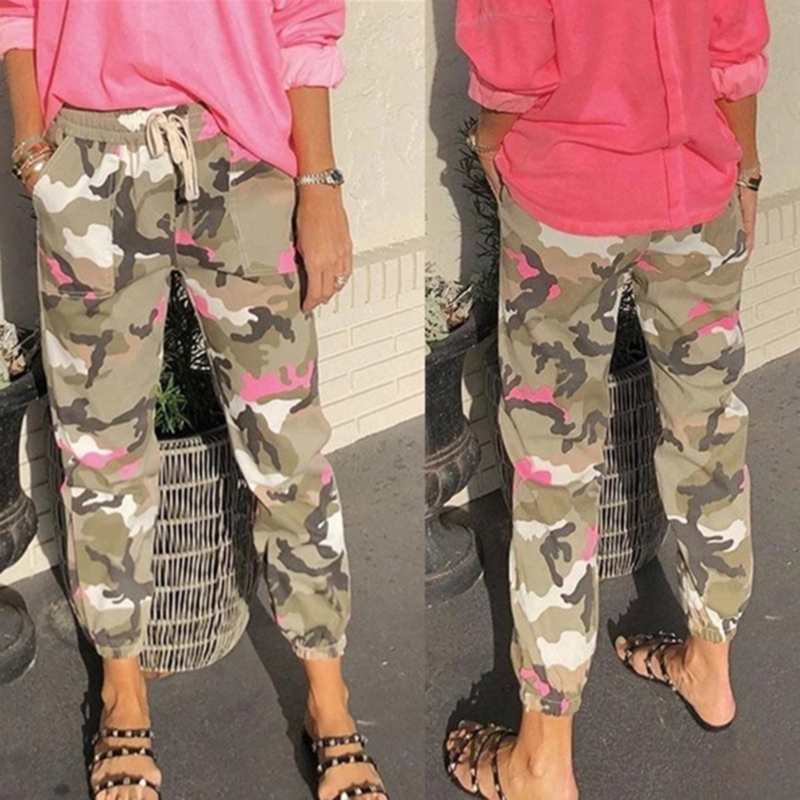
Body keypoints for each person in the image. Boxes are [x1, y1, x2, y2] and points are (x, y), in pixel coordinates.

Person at [0, 2, 388, 798]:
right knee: (100, 449)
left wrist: (319, 183)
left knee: (288, 449)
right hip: (90, 162)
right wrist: (34, 144)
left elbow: (304, 17)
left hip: (241, 160)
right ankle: (122, 689)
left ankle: (329, 695)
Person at [446, 1, 769, 798]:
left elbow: (513, 54)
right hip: (698, 187)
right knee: (708, 435)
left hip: (569, 199)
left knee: (555, 468)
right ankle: (711, 667)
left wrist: (488, 141)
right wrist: (747, 165)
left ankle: (543, 757)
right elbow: (734, 40)